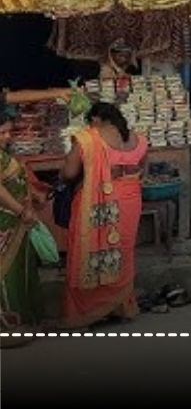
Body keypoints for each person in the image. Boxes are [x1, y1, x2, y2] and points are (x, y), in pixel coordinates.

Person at [59, 102, 147, 328]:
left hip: (96, 201)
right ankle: (122, 307)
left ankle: (85, 313)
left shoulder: (87, 138)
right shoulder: (139, 140)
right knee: (122, 252)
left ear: (96, 119)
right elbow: (141, 172)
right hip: (130, 200)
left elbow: (69, 172)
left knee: (89, 251)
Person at [0, 100, 48, 329]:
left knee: (21, 268)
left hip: (17, 220)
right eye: (2, 132)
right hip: (6, 221)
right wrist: (20, 210)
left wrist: (33, 197)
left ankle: (24, 318)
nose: (7, 137)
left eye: (9, 132)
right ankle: (8, 323)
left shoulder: (4, 154)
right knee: (6, 273)